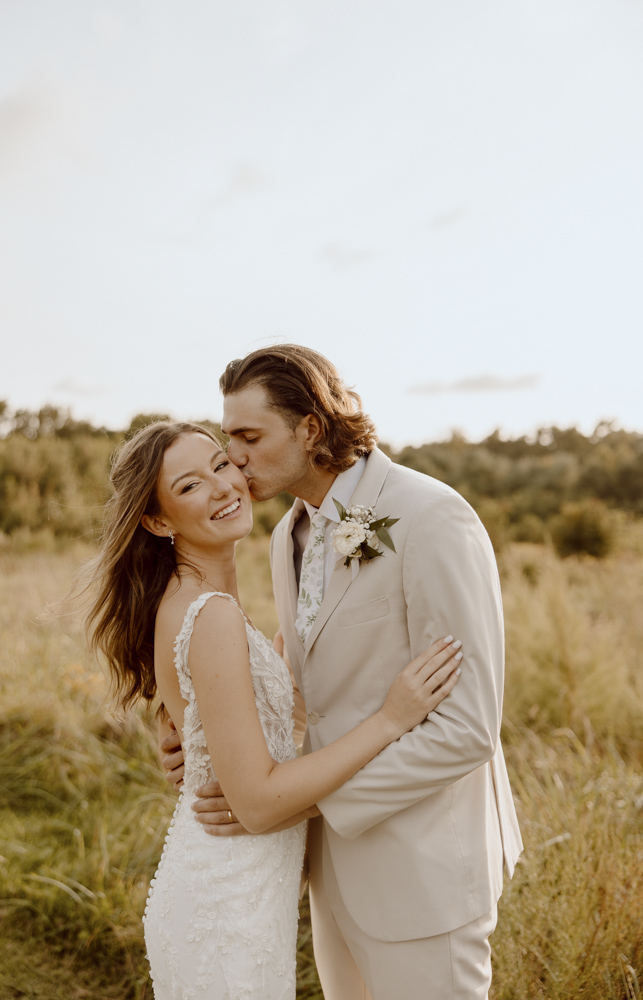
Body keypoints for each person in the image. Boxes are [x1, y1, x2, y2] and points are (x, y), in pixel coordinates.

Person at [161, 344, 523, 1000]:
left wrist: (299, 805)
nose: (234, 459)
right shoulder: (283, 537)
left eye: (248, 437)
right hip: (330, 881)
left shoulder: (430, 517)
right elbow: (319, 700)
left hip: (423, 878)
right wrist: (204, 734)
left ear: (309, 427)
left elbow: (468, 729)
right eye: (227, 438)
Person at [85, 418, 463, 1000]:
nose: (221, 486)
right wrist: (390, 719)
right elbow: (257, 804)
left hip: (242, 891)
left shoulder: (211, 601)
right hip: (227, 905)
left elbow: (247, 729)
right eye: (188, 487)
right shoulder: (208, 615)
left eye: (219, 464)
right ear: (157, 521)